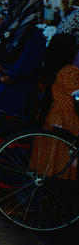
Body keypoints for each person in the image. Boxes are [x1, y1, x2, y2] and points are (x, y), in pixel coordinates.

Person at [0, 0, 46, 151]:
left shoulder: (3, 30)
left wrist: (0, 75)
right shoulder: (35, 36)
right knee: (14, 151)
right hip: (19, 101)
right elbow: (21, 71)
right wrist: (8, 73)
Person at [31, 33, 79, 180]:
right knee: (62, 165)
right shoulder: (70, 71)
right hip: (66, 122)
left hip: (51, 121)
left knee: (47, 165)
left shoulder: (50, 69)